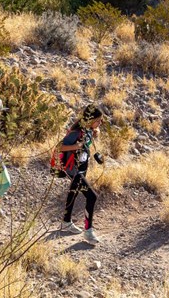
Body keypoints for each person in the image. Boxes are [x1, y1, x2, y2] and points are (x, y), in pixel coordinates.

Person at [57, 104, 104, 245]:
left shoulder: (89, 129)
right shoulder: (76, 132)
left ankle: (66, 222)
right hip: (74, 170)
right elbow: (60, 147)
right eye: (98, 120)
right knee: (92, 196)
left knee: (74, 192)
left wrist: (96, 132)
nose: (100, 123)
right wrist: (76, 146)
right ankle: (88, 232)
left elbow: (91, 137)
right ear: (91, 120)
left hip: (82, 168)